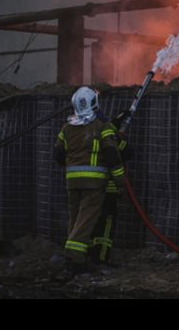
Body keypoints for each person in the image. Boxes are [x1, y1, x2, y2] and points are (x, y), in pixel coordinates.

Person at [54, 86, 128, 277]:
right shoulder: (101, 127)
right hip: (94, 185)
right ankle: (74, 259)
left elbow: (58, 155)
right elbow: (112, 155)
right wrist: (120, 182)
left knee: (76, 219)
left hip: (72, 183)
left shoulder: (66, 128)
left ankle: (77, 256)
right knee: (86, 220)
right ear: (95, 103)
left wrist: (73, 164)